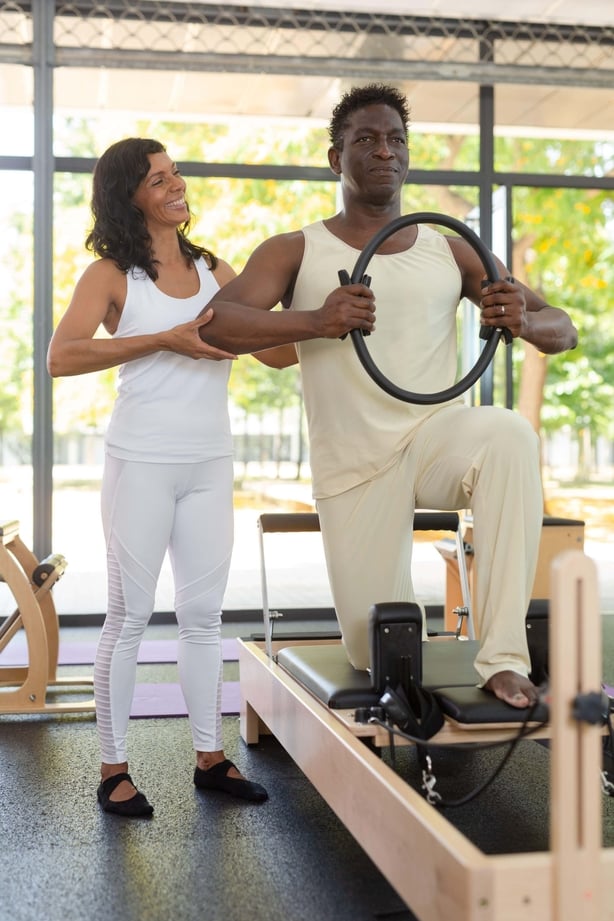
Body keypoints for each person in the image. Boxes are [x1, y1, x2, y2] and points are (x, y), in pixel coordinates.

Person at [194, 83, 578, 710]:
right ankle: (399, 650)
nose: (384, 150)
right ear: (335, 158)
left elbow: (564, 327)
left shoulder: (452, 249)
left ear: (408, 154)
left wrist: (526, 322)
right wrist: (317, 320)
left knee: (509, 433)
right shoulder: (295, 249)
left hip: (435, 441)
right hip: (354, 464)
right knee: (374, 651)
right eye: (366, 139)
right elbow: (215, 326)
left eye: (396, 139)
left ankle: (504, 658)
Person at [46, 138, 369, 817]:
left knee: (202, 616)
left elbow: (273, 352)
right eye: (158, 179)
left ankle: (209, 757)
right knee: (129, 616)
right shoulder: (110, 275)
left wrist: (327, 320)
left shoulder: (213, 268)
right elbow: (62, 356)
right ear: (129, 196)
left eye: (175, 174)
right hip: (140, 460)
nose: (176, 185)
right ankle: (113, 770)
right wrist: (163, 339)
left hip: (209, 462)